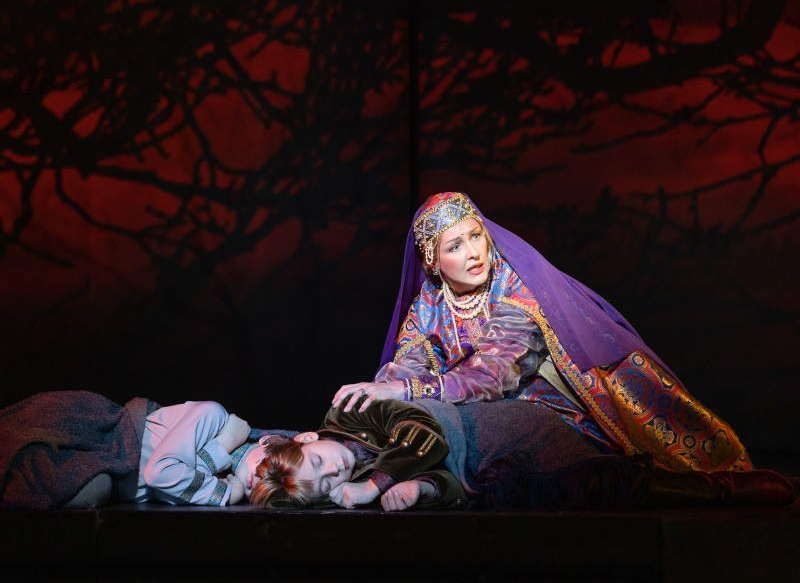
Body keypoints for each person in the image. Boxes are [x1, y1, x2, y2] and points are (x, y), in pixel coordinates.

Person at [330, 191, 794, 508]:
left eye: (476, 235)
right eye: (455, 245)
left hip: (551, 419)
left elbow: (493, 376)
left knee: (589, 483)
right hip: (483, 428)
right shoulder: (428, 307)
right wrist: (372, 400)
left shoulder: (517, 289)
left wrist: (406, 390)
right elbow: (403, 371)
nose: (474, 252)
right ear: (433, 261)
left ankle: (717, 490)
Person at [0, 390, 295, 510]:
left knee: (93, 489)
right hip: (105, 435)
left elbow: (170, 487)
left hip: (109, 472)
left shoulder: (219, 480)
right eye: (267, 466)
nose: (261, 478)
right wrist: (226, 489)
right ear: (267, 441)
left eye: (274, 488)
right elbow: (161, 474)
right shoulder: (214, 416)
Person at [250, 395, 467, 510]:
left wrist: (374, 485)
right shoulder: (351, 490)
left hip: (467, 427)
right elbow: (457, 492)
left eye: (318, 461)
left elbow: (425, 428)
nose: (334, 470)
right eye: (325, 484)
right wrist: (421, 488)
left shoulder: (345, 412)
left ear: (306, 438)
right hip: (472, 476)